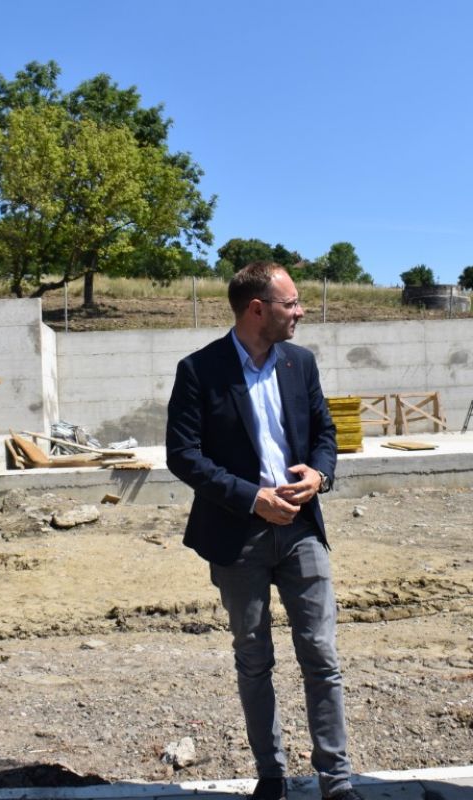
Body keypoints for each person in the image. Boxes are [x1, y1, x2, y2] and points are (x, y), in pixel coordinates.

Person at [166, 262, 361, 800]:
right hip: (238, 536)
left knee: (321, 655)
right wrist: (253, 498)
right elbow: (183, 455)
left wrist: (319, 475)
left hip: (301, 529)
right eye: (291, 303)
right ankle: (271, 776)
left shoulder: (300, 363)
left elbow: (324, 432)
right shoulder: (199, 370)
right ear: (258, 309)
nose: (301, 311)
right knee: (254, 660)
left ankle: (337, 781)